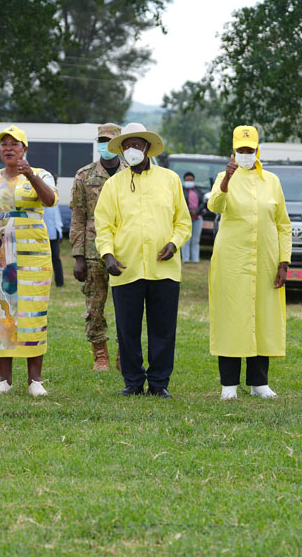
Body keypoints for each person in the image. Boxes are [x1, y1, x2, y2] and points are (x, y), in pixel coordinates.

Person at [94, 122, 191, 397]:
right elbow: (103, 225)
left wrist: (174, 243)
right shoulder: (113, 185)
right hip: (126, 267)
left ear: (147, 147)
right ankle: (133, 382)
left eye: (137, 144)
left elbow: (183, 221)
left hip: (164, 268)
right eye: (127, 145)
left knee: (163, 329)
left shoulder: (170, 179)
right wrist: (107, 254)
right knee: (127, 329)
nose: (132, 150)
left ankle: (159, 383)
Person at [0, 125, 59, 397]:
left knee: (33, 313)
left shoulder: (41, 174)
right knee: (1, 314)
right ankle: (4, 380)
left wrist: (30, 175)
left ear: (24, 149)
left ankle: (35, 380)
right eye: (4, 144)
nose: (8, 148)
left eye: (14, 144)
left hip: (33, 257)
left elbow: (50, 200)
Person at [208, 126, 290, 400]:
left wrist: (284, 262)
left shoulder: (272, 181)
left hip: (265, 260)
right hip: (232, 261)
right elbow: (214, 206)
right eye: (240, 150)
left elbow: (283, 224)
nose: (245, 154)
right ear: (233, 151)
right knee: (231, 317)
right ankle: (228, 385)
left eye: (250, 149)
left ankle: (259, 383)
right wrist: (226, 181)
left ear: (258, 151)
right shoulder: (224, 177)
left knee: (263, 316)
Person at [71, 123, 125, 371]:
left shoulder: (131, 173)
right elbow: (78, 216)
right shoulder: (84, 175)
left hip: (125, 248)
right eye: (101, 141)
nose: (105, 145)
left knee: (127, 306)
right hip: (94, 251)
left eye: (109, 141)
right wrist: (78, 256)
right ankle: (100, 353)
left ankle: (124, 353)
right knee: (95, 305)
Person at [181, 172, 206, 264]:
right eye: (187, 180)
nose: (189, 181)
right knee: (186, 239)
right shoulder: (181, 191)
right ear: (184, 180)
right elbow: (181, 203)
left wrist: (197, 212)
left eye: (191, 180)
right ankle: (186, 259)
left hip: (198, 218)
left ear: (194, 180)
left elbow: (203, 202)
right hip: (186, 218)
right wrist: (190, 212)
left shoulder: (198, 191)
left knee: (195, 240)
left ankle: (195, 259)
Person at [43, 187, 64, 287]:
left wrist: (60, 232)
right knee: (42, 260)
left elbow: (57, 217)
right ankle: (44, 282)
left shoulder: (54, 199)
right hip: (41, 235)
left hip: (53, 234)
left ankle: (59, 282)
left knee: (56, 258)